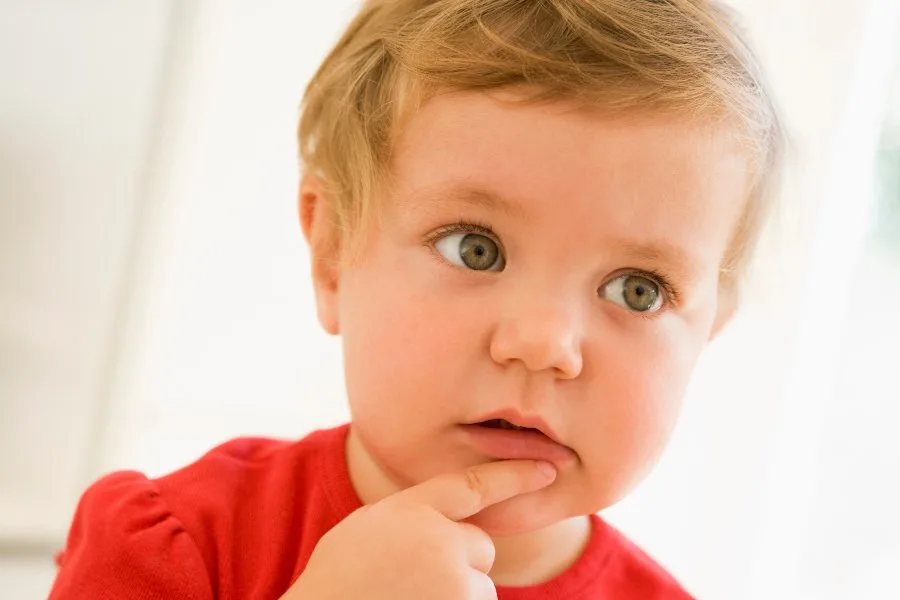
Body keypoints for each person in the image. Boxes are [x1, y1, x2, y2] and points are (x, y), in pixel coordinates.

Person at [49, 0, 784, 598]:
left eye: (638, 290)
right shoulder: (178, 548)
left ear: (707, 332)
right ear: (333, 255)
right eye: (476, 247)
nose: (543, 342)